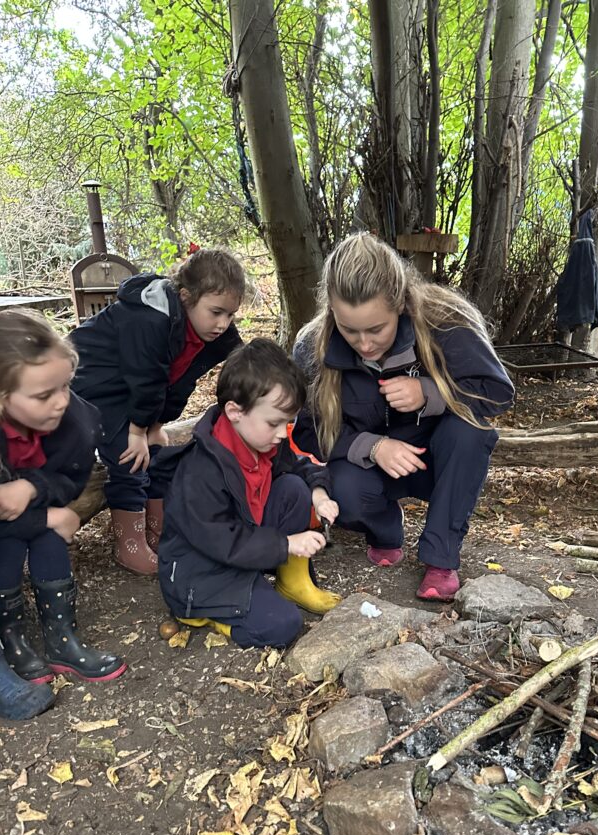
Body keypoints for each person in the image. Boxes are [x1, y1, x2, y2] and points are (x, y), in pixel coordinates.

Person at [293, 232, 515, 601]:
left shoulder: (447, 321)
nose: (364, 344)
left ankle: (441, 558)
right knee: (342, 489)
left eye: (376, 329)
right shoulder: (311, 345)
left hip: (436, 463)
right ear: (332, 310)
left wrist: (432, 393)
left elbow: (495, 392)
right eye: (350, 330)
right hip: (370, 467)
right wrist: (372, 446)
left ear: (399, 304)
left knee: (471, 432)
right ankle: (384, 528)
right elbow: (305, 431)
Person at [154, 339, 342, 650]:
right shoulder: (201, 471)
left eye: (288, 422)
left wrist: (319, 494)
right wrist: (286, 544)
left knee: (295, 488)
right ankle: (208, 616)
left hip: (242, 552)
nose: (283, 433)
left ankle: (292, 581)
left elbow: (300, 465)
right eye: (274, 423)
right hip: (202, 576)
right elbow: (223, 540)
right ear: (234, 411)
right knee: (283, 625)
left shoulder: (263, 440)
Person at [70, 248, 246, 574]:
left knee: (158, 453)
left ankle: (157, 528)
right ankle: (130, 544)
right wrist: (137, 430)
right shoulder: (149, 318)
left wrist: (158, 424)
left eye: (231, 315)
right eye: (216, 312)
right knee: (127, 455)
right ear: (186, 297)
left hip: (131, 387)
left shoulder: (203, 333)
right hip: (93, 383)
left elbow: (181, 380)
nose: (223, 324)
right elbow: (146, 376)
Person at [0, 309, 126, 719]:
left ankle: (60, 639)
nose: (60, 403)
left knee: (48, 541)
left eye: (65, 386)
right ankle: (12, 638)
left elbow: (72, 479)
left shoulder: (76, 419)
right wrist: (48, 516)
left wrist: (33, 488)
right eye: (42, 396)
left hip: (31, 504)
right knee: (12, 542)